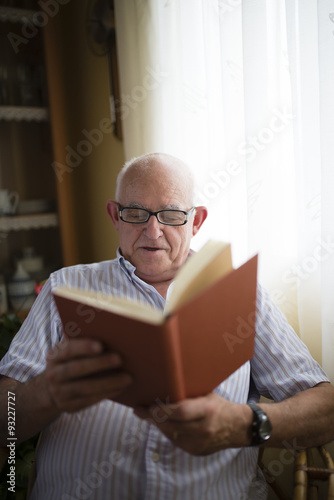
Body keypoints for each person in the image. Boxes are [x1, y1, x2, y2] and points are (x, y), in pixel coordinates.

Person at [0, 152, 333, 500]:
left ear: (196, 221)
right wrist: (47, 393)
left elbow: (326, 409)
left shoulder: (242, 296)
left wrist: (243, 425)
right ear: (115, 215)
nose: (153, 230)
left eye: (171, 215)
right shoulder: (63, 290)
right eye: (136, 213)